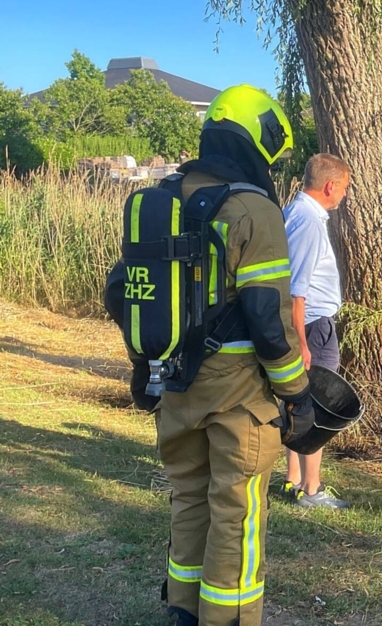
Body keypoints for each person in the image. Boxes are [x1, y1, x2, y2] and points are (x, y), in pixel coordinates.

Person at [114, 85, 315, 626]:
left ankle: (182, 611)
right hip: (238, 394)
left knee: (188, 498)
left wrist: (142, 364)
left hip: (175, 383)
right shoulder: (253, 209)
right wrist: (297, 394)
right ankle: (229, 619)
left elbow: (121, 291)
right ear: (258, 140)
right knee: (238, 511)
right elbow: (268, 321)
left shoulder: (161, 199)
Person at [280, 153, 352, 509]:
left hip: (308, 324)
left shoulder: (295, 212)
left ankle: (293, 479)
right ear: (330, 186)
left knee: (297, 399)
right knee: (318, 404)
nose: (345, 195)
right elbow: (297, 289)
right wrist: (301, 342)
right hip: (313, 325)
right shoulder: (308, 220)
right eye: (344, 188)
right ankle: (311, 489)